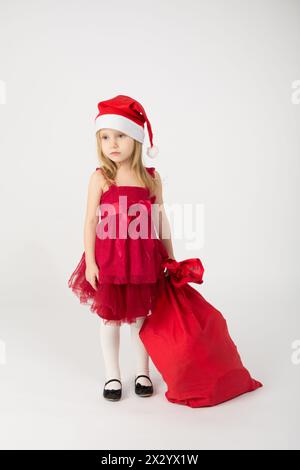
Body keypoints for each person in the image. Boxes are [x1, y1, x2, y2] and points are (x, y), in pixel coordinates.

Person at [68, 95, 175, 401]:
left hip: (142, 261)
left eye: (120, 136)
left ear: (136, 140)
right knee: (109, 319)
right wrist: (90, 262)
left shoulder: (150, 180)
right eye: (105, 137)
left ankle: (143, 372)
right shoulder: (102, 177)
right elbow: (90, 221)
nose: (112, 144)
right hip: (110, 260)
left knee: (142, 318)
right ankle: (112, 375)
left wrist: (170, 256)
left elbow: (160, 220)